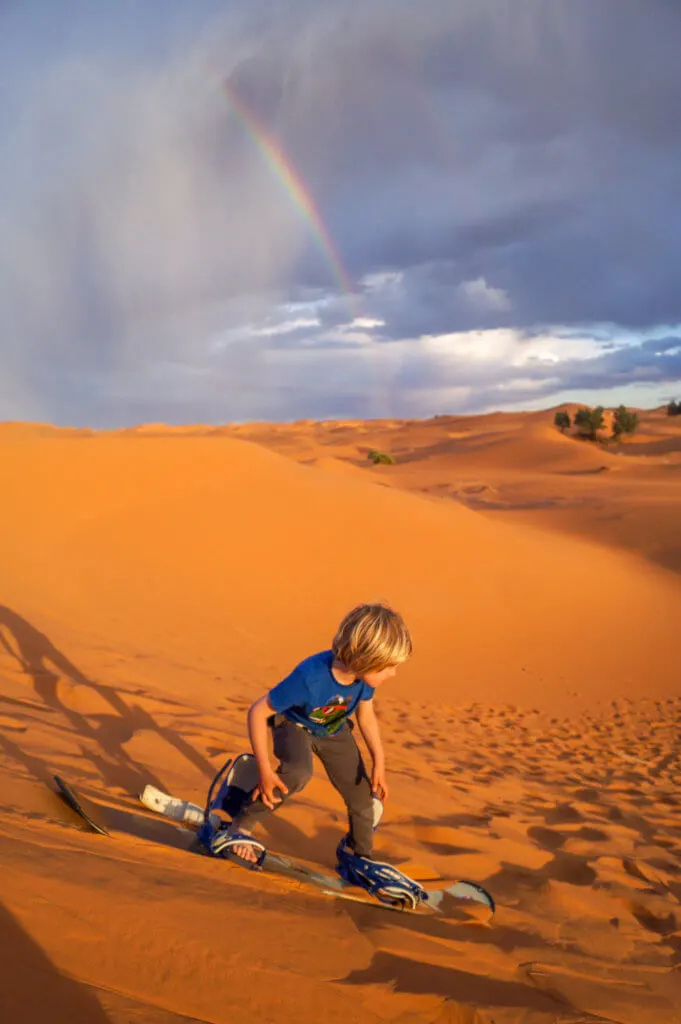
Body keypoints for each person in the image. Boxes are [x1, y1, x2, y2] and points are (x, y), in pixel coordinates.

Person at [225, 602, 412, 865]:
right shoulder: (309, 678)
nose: (392, 673)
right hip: (294, 725)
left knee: (362, 794)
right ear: (364, 659)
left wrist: (379, 761)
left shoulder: (363, 679)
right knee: (297, 774)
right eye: (387, 667)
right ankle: (240, 826)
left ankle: (359, 856)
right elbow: (258, 712)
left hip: (332, 727)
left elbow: (366, 715)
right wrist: (266, 770)